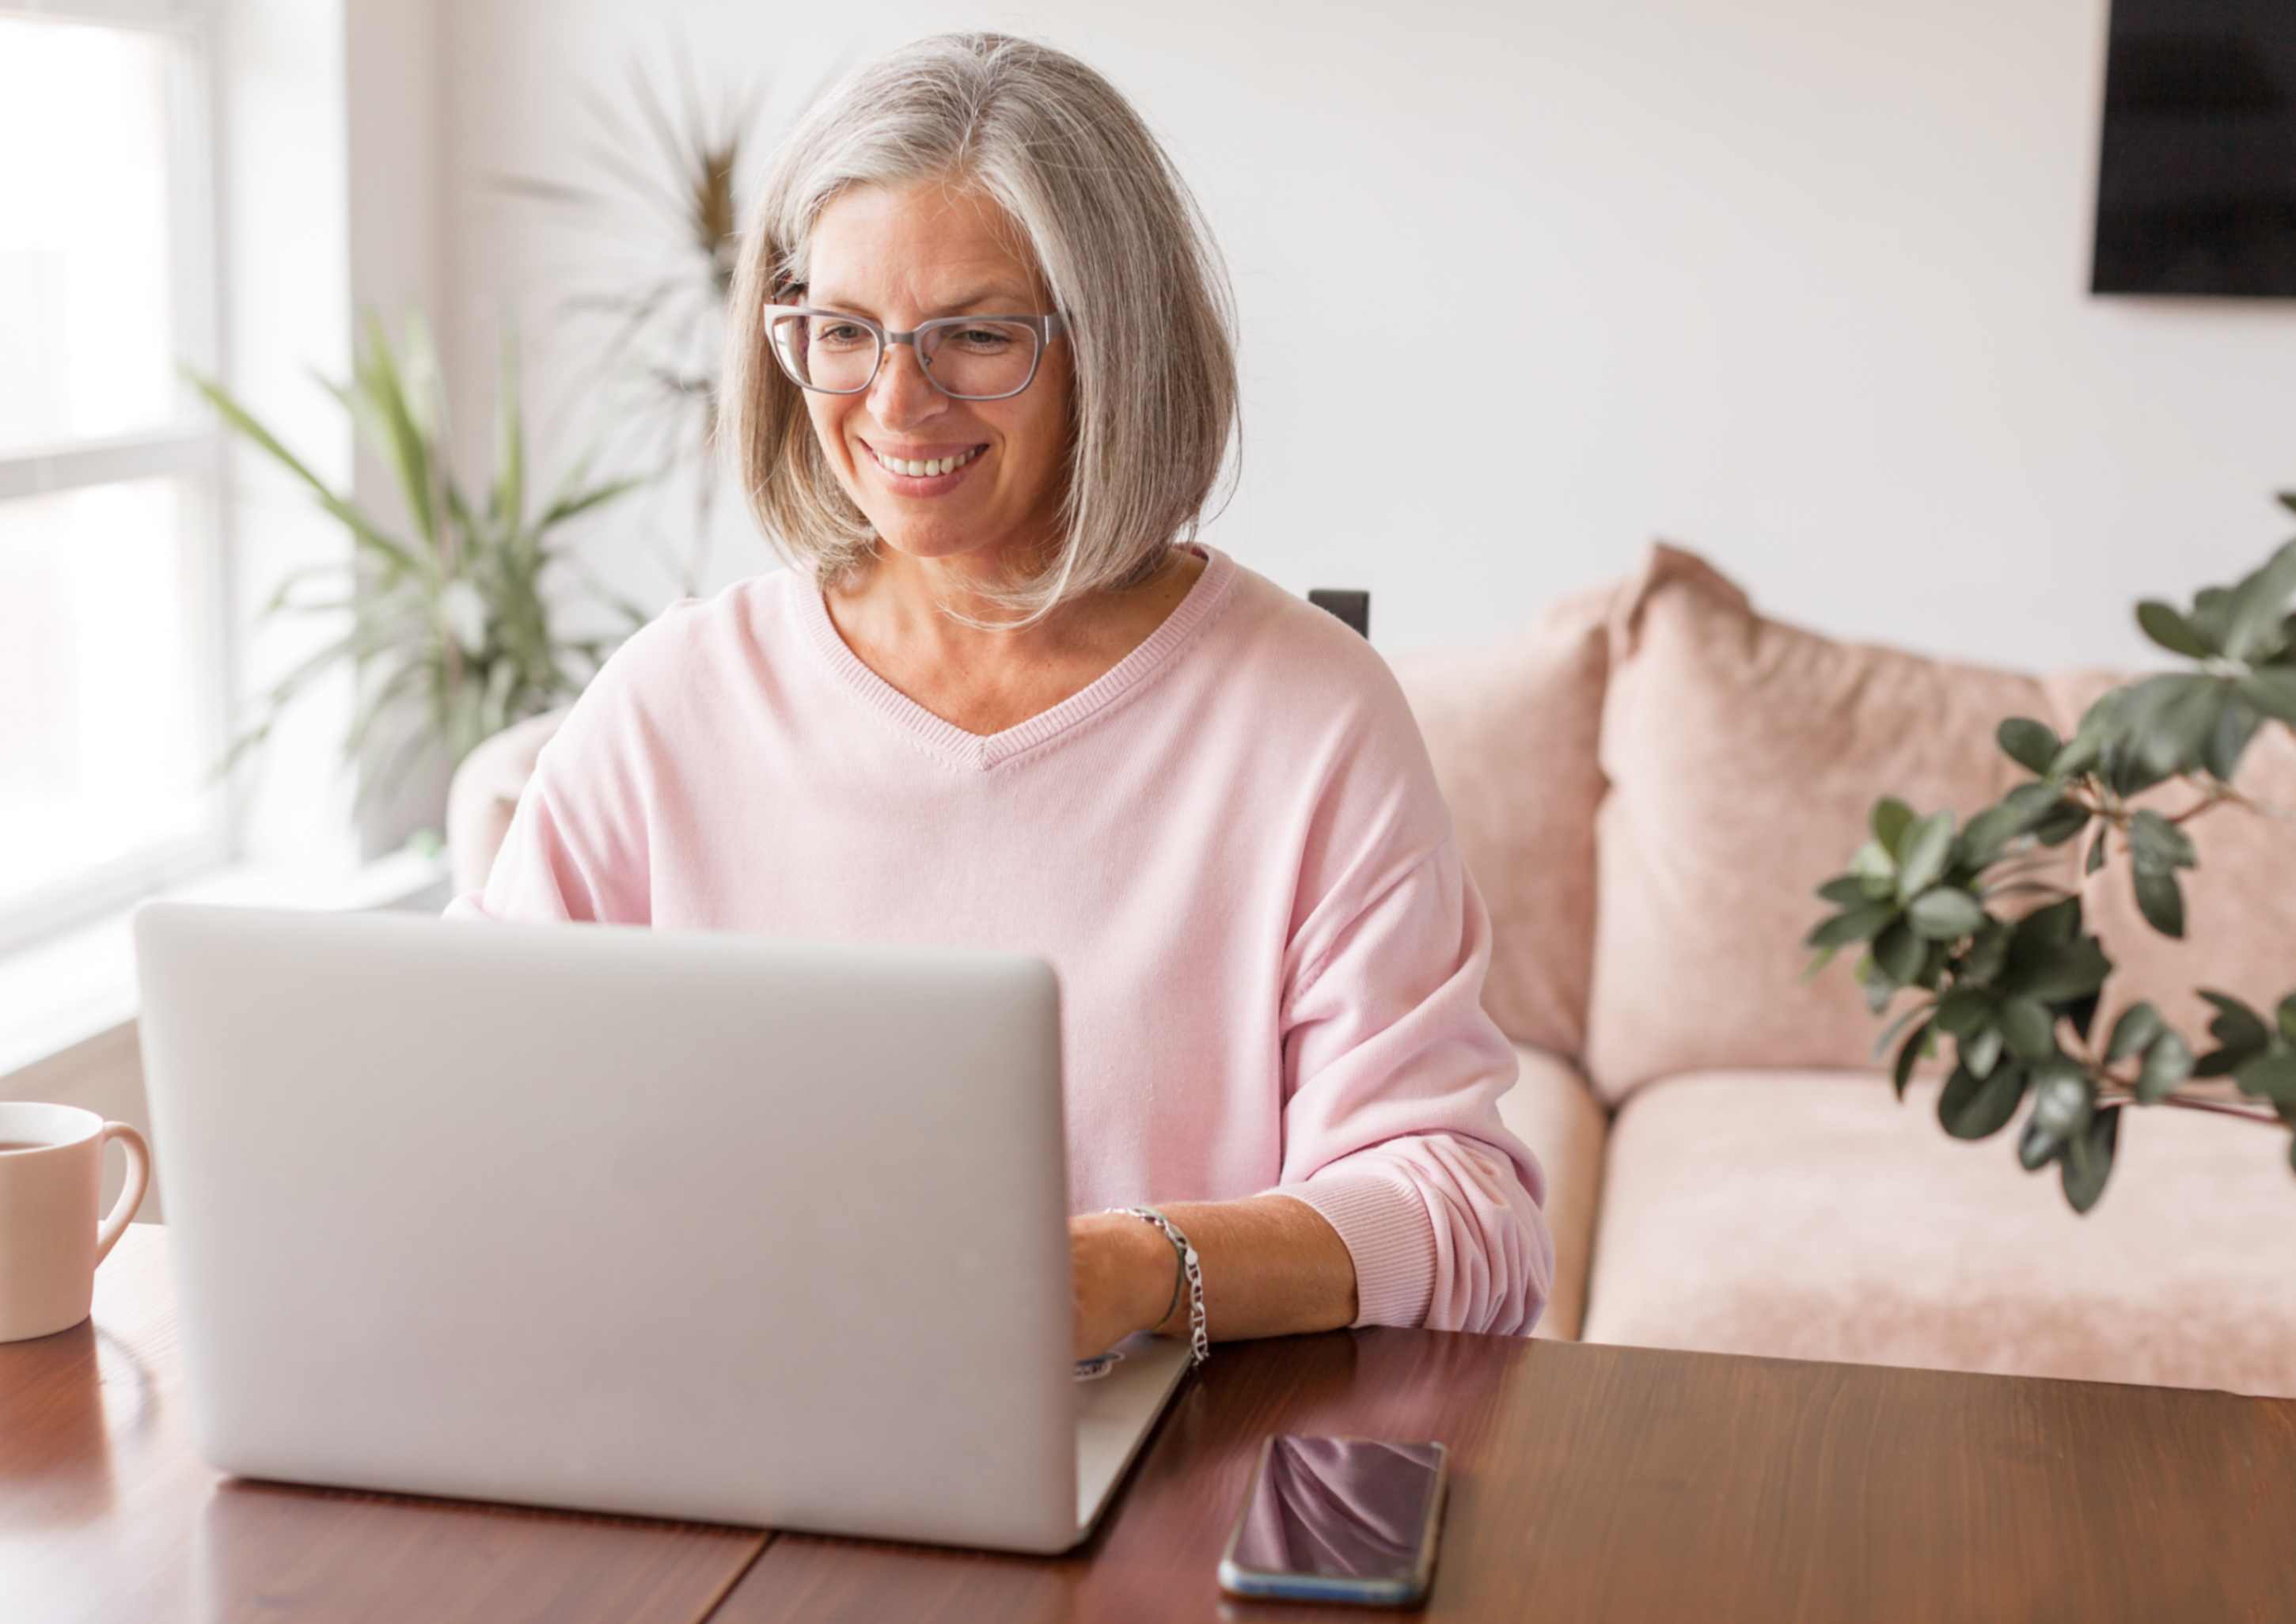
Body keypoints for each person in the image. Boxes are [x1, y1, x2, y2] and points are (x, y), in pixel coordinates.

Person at [448, 32, 1551, 1360]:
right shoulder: (674, 699)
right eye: (843, 333)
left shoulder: (1307, 718)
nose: (896, 403)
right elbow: (469, 1108)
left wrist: (1142, 1270)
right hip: (723, 1426)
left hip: (1146, 1473)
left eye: (975, 335)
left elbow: (1464, 1215)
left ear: (1113, 349)